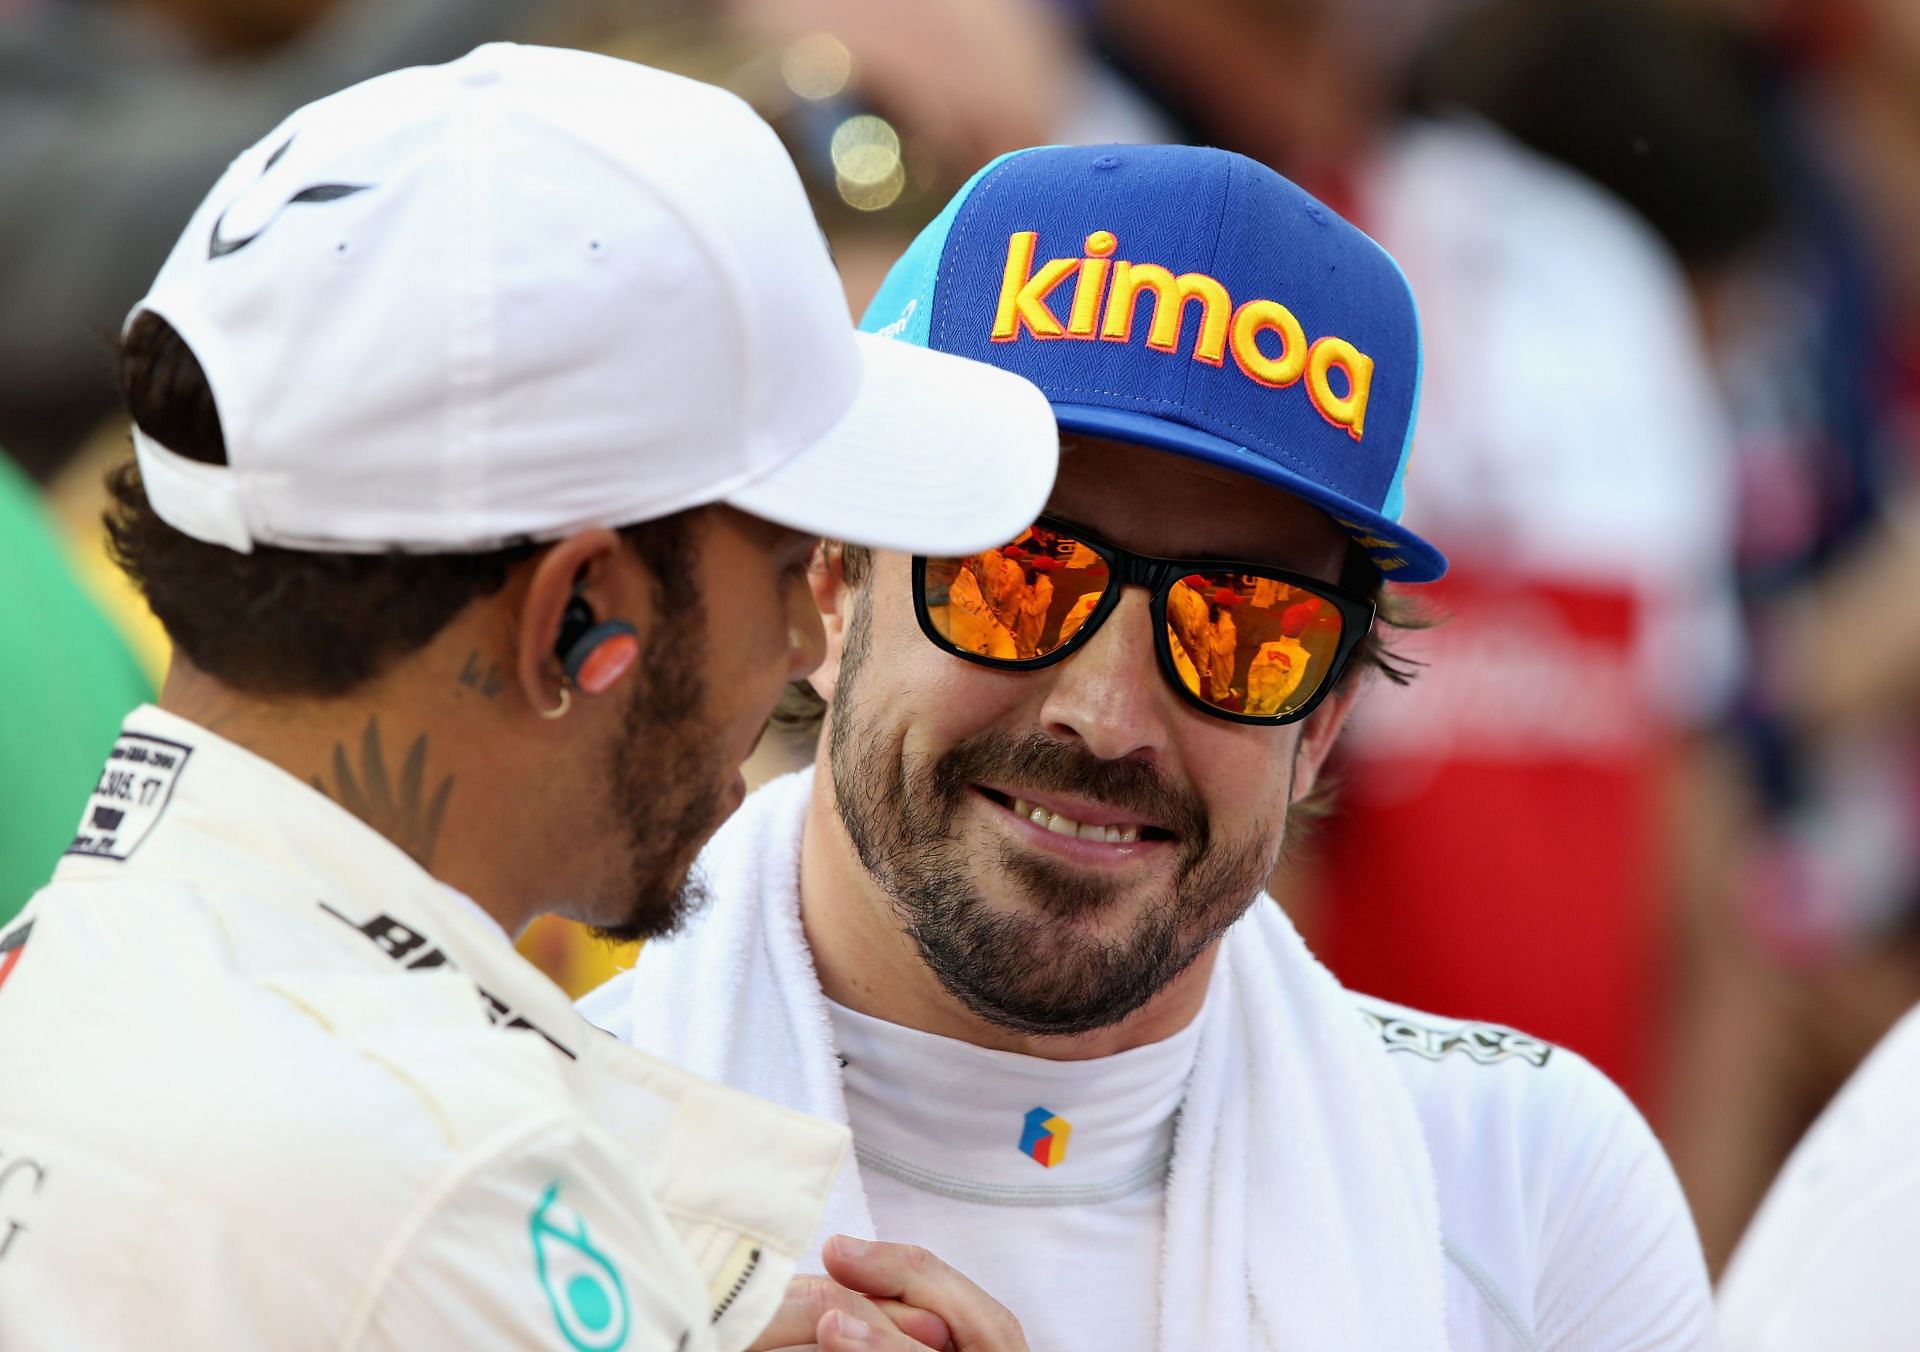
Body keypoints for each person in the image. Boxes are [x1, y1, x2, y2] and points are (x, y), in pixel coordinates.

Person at [0, 43, 1060, 1351]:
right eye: (788, 562)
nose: (805, 640)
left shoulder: (76, 979)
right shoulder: (422, 1195)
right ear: (578, 611)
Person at [581, 143, 1714, 1350]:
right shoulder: (514, 1167)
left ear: (1321, 719)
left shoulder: (1524, 1181)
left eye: (1242, 628)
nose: (1106, 715)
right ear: (831, 582)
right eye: (1017, 574)